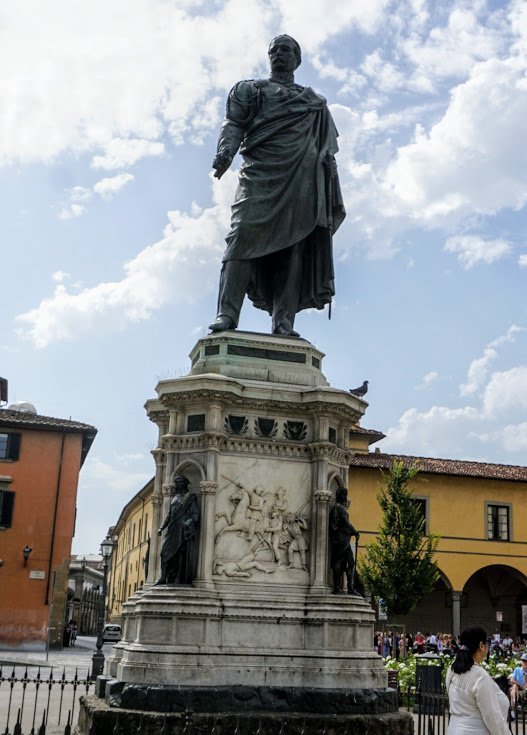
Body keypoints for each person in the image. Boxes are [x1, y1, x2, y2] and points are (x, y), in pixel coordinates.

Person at [209, 34, 345, 338]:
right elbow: (233, 124)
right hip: (260, 173)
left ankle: (284, 322)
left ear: (297, 59)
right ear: (269, 56)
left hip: (301, 178)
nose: (280, 54)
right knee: (241, 237)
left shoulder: (315, 103)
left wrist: (328, 180)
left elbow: (328, 149)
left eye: (287, 50)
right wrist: (225, 152)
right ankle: (226, 314)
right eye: (275, 50)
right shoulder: (250, 90)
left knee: (292, 250)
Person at [445, 625, 510, 734]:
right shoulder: (480, 676)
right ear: (481, 645)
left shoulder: (452, 669)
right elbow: (493, 717)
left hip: (453, 729)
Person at [154, 475, 199, 585]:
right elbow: (169, 515)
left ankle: (179, 577)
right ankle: (163, 577)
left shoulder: (190, 497)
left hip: (182, 530)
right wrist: (161, 527)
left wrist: (188, 522)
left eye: (180, 482)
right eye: (177, 482)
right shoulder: (174, 497)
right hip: (172, 529)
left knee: (179, 554)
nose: (178, 484)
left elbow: (195, 514)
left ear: (185, 483)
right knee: (164, 553)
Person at [329, 488, 360, 595]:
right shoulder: (340, 509)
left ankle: (348, 587)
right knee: (343, 561)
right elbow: (346, 523)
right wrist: (355, 531)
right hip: (342, 539)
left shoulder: (336, 508)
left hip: (341, 538)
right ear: (341, 496)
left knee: (347, 562)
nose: (346, 497)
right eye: (345, 495)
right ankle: (339, 587)